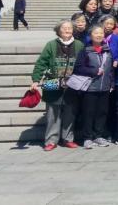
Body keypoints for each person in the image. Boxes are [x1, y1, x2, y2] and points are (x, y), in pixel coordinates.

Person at [30, 20, 84, 150]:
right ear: (58, 30)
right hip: (52, 83)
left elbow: (84, 63)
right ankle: (51, 141)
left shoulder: (79, 45)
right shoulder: (51, 45)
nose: (67, 30)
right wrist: (36, 80)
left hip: (72, 85)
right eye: (64, 28)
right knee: (52, 114)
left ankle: (68, 139)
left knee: (70, 114)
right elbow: (41, 63)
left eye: (69, 28)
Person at [74, 24, 115, 149]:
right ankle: (87, 137)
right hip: (89, 88)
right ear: (90, 35)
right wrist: (93, 71)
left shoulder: (107, 50)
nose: (99, 35)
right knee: (88, 113)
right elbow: (78, 68)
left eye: (101, 33)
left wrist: (112, 82)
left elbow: (111, 69)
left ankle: (98, 135)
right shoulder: (85, 50)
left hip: (105, 87)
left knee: (102, 112)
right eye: (96, 33)